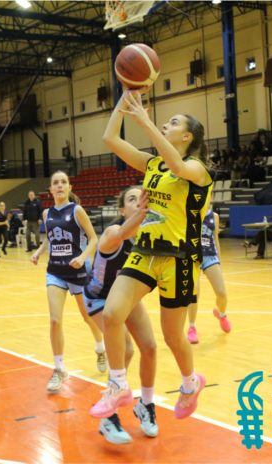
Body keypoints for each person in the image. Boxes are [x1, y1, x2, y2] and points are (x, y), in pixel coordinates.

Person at [90, 88, 213, 422]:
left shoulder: (198, 169)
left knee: (172, 336)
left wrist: (144, 122)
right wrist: (125, 97)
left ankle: (191, 383)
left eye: (173, 123)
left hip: (179, 259)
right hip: (144, 252)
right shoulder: (153, 164)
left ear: (187, 137)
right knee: (111, 315)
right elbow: (110, 138)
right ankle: (117, 384)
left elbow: (177, 164)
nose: (164, 125)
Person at [83, 187, 159, 444]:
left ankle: (145, 405)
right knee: (126, 349)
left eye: (141, 198)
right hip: (99, 298)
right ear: (122, 210)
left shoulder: (146, 240)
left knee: (149, 347)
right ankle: (108, 417)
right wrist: (144, 212)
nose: (138, 202)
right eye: (132, 199)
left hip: (125, 295)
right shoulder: (112, 233)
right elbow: (124, 232)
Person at [30, 172, 107, 393]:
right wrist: (38, 251)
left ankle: (100, 348)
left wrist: (82, 258)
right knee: (55, 321)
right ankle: (60, 368)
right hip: (55, 272)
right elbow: (49, 239)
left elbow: (94, 239)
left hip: (79, 272)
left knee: (88, 317)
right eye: (55, 183)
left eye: (63, 182)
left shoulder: (77, 210)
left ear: (69, 187)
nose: (60, 185)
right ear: (50, 189)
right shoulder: (47, 213)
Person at [186, 192, 231, 344]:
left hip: (210, 255)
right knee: (194, 294)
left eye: (207, 194)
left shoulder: (214, 216)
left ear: (211, 198)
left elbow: (216, 240)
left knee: (222, 293)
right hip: (193, 257)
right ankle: (191, 328)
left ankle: (221, 314)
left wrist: (220, 261)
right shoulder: (189, 213)